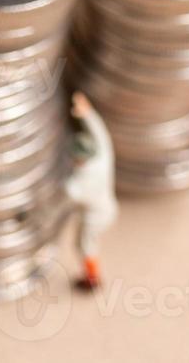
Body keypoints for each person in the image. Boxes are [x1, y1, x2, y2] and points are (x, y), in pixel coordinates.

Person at [64, 92, 117, 292]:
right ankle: (90, 274)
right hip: (110, 207)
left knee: (84, 245)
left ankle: (92, 278)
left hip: (93, 217)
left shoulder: (79, 184)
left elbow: (66, 195)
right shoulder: (102, 155)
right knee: (87, 243)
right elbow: (100, 133)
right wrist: (87, 112)